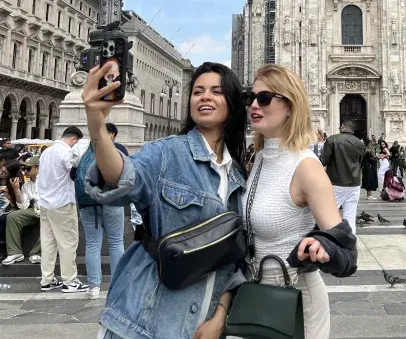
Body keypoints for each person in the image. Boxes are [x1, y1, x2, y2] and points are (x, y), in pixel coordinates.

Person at [83, 61, 248, 339]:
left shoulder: (238, 175)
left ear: (232, 102)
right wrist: (96, 122)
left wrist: (220, 317)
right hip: (144, 320)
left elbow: (233, 261)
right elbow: (119, 177)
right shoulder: (166, 153)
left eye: (216, 91)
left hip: (202, 325)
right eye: (198, 91)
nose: (205, 96)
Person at [246, 64, 357, 339]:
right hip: (258, 294)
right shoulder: (260, 158)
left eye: (264, 98)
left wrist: (324, 245)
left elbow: (348, 253)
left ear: (290, 106)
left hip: (295, 301)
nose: (253, 105)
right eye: (250, 97)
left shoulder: (306, 166)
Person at [74, 122, 127, 299]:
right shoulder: (117, 149)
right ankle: (118, 284)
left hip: (88, 202)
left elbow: (74, 175)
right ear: (112, 135)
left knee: (92, 244)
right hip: (112, 200)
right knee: (116, 242)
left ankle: (94, 287)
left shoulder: (84, 150)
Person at [37, 126, 87, 292]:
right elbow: (74, 173)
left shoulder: (46, 152)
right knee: (68, 242)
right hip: (62, 202)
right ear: (73, 139)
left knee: (48, 242)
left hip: (45, 203)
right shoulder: (66, 152)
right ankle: (70, 280)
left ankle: (47, 279)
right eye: (76, 143)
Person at [320, 120, 365, 235]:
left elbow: (324, 160)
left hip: (336, 182)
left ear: (343, 127)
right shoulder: (359, 143)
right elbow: (360, 162)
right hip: (354, 183)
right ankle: (350, 244)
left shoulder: (332, 139)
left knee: (330, 215)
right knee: (350, 216)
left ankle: (331, 242)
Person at [3, 156, 42, 265]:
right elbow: (23, 207)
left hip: (47, 209)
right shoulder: (26, 185)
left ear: (37, 168)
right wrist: (16, 190)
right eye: (24, 169)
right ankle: (15, 252)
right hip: (33, 209)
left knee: (48, 219)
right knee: (13, 216)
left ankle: (37, 252)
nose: (25, 172)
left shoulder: (47, 180)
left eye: (28, 169)